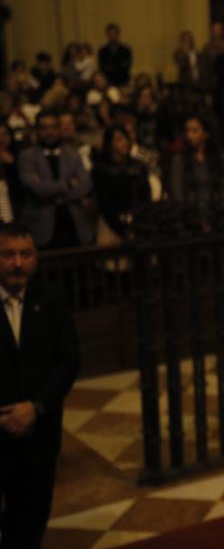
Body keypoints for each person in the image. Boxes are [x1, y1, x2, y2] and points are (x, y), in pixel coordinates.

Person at [0, 223, 80, 549]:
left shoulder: (52, 298)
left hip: (40, 431)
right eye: (8, 255)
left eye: (25, 254)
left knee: (31, 519)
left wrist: (35, 407)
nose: (18, 263)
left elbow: (68, 361)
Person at [18, 110, 94, 248]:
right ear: (37, 131)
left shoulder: (72, 154)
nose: (49, 132)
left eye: (53, 127)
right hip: (42, 228)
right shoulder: (27, 156)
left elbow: (85, 185)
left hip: (74, 225)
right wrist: (69, 184)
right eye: (44, 128)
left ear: (59, 129)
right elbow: (36, 188)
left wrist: (51, 192)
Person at [98, 23, 132, 88]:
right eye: (110, 35)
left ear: (118, 34)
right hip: (108, 82)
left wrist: (112, 67)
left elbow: (127, 66)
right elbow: (103, 67)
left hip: (123, 81)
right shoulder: (102, 51)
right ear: (107, 35)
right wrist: (118, 65)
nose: (112, 37)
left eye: (114, 34)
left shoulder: (126, 50)